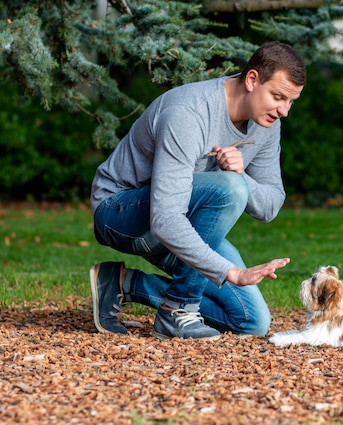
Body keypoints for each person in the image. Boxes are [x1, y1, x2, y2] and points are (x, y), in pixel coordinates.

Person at [88, 41, 306, 340]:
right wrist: (232, 273)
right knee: (229, 189)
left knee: (250, 321)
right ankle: (178, 310)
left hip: (182, 224)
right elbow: (164, 218)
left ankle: (124, 284)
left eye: (291, 101)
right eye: (278, 97)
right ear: (252, 80)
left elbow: (269, 206)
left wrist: (241, 173)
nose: (284, 111)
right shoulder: (188, 112)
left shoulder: (267, 123)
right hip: (120, 213)